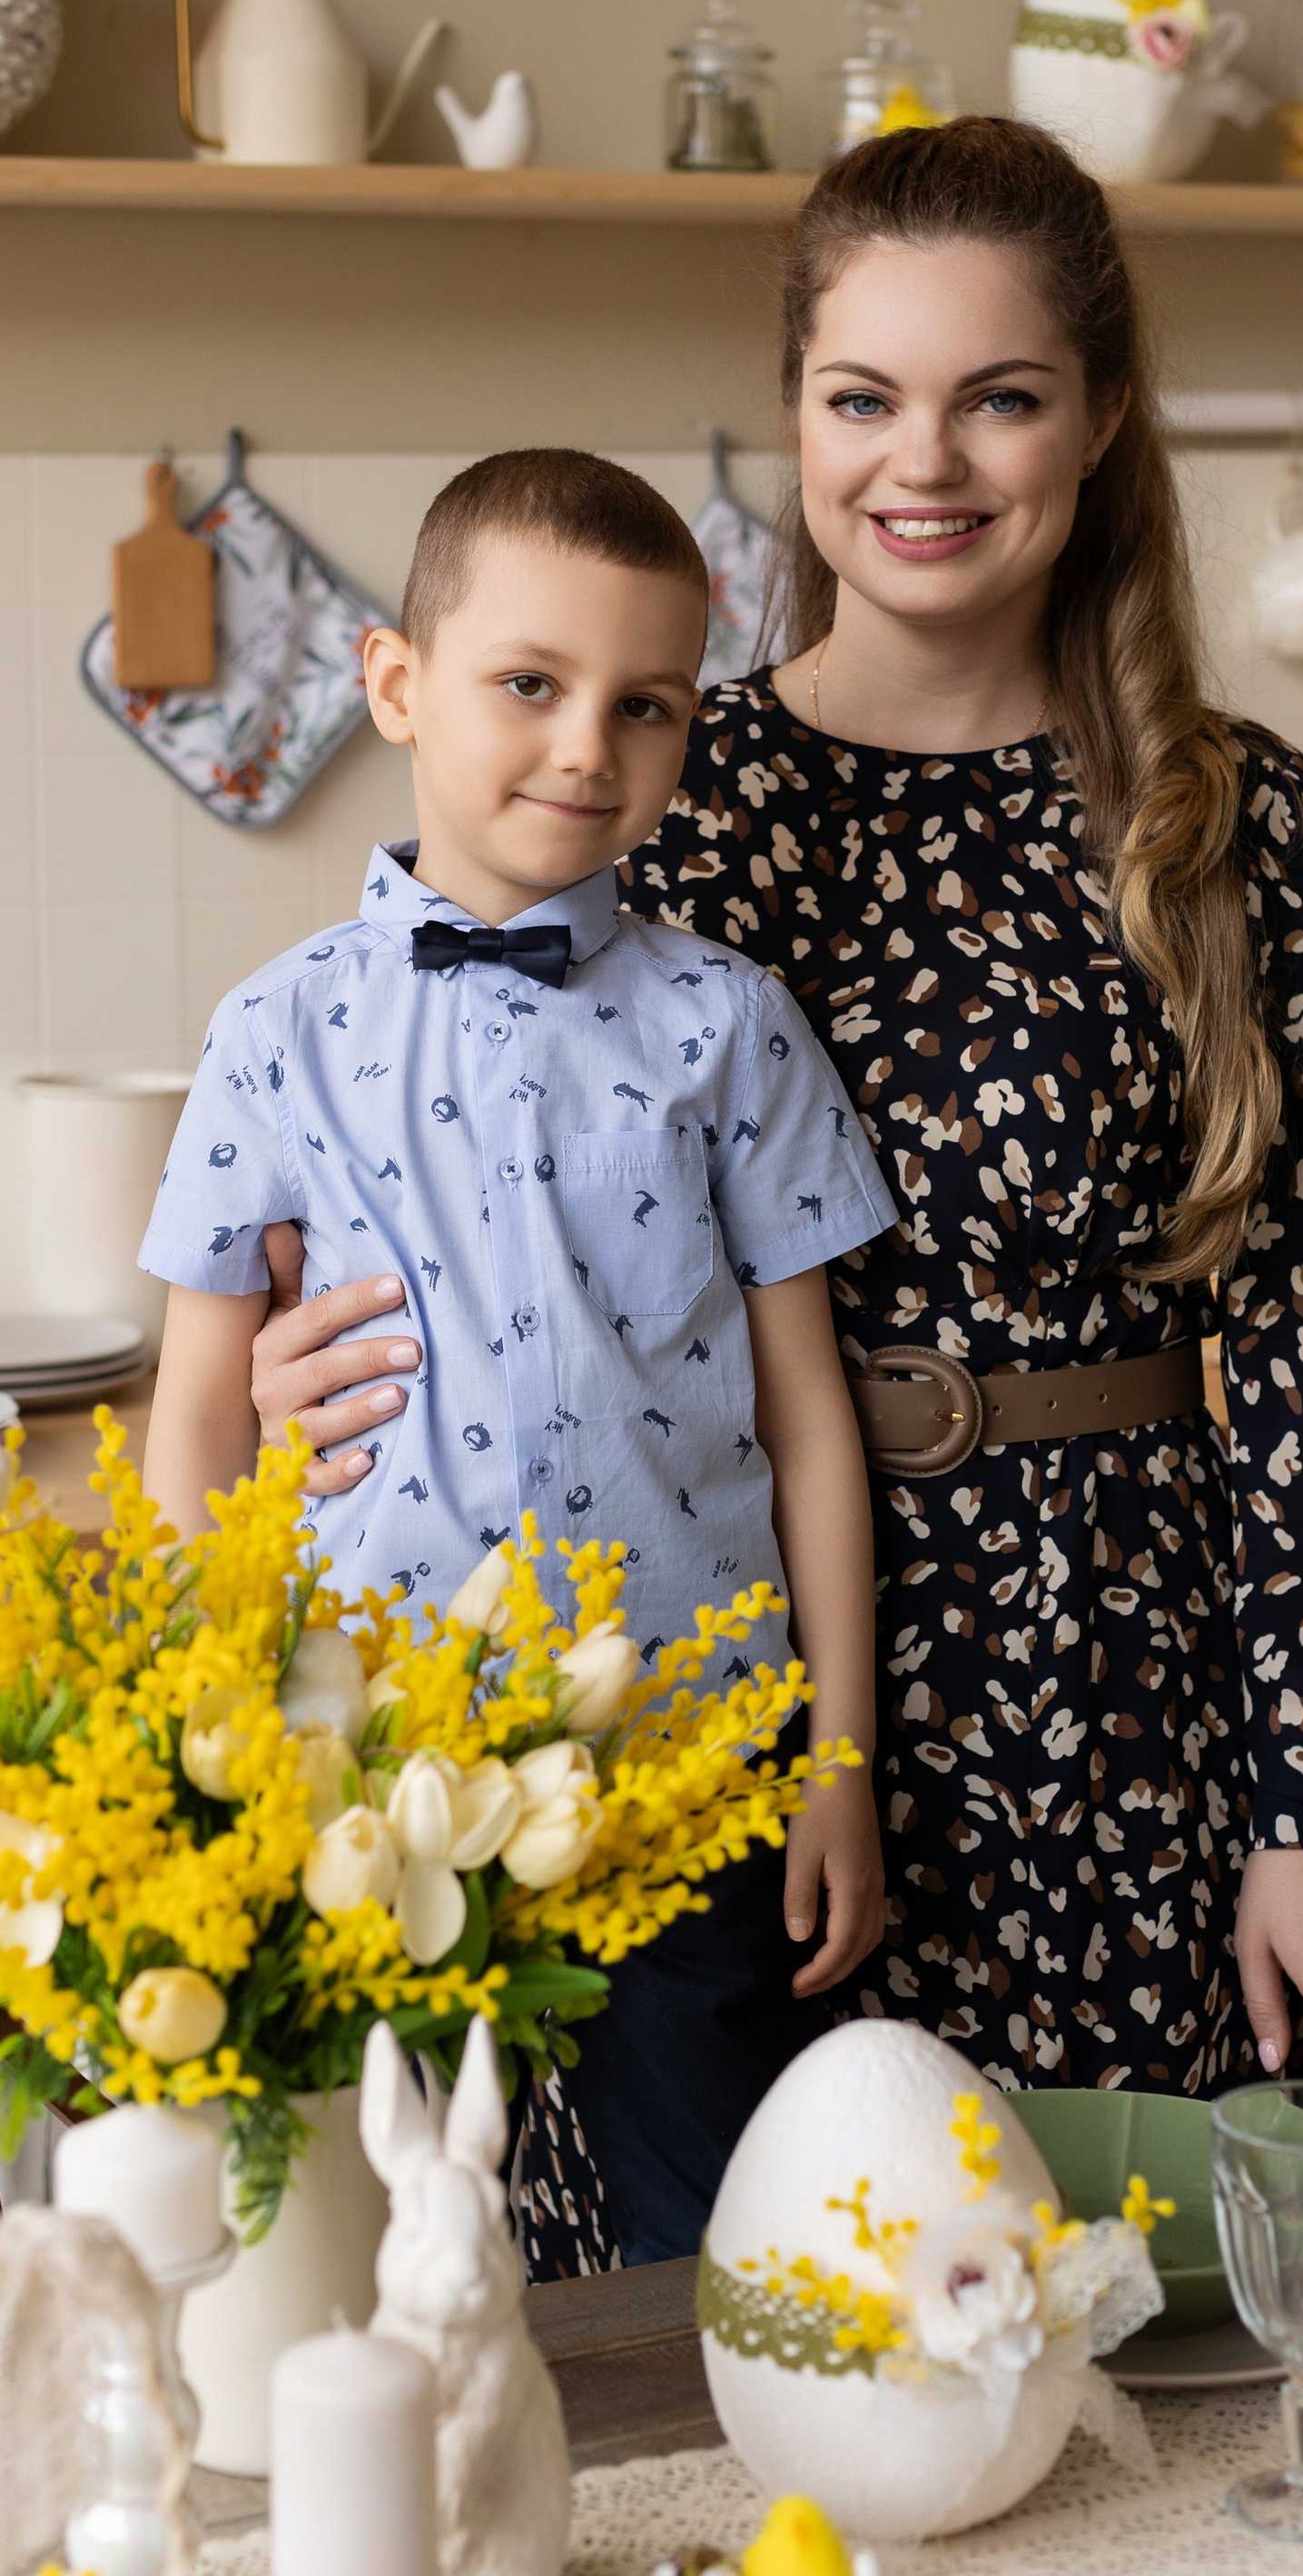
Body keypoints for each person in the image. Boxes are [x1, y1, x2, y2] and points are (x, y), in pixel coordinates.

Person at [242, 120, 1303, 2158]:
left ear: (1096, 427)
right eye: (861, 399)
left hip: (1123, 1700)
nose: (925, 464)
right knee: (717, 2349)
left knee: (1134, 2347)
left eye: (999, 398)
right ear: (794, 421)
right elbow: (415, 1151)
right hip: (697, 1705)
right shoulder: (651, 790)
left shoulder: (1237, 821)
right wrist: (308, 1373)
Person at [139, 445, 898, 2269]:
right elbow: (186, 1433)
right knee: (380, 2248)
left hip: (682, 1766)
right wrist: (213, 1752)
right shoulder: (272, 1034)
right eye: (530, 686)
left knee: (704, 2250)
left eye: (644, 706)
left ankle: (713, 2556)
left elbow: (811, 1426)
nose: (586, 748)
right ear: (397, 684)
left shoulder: (731, 1025)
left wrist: (839, 1764)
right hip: (363, 1778)